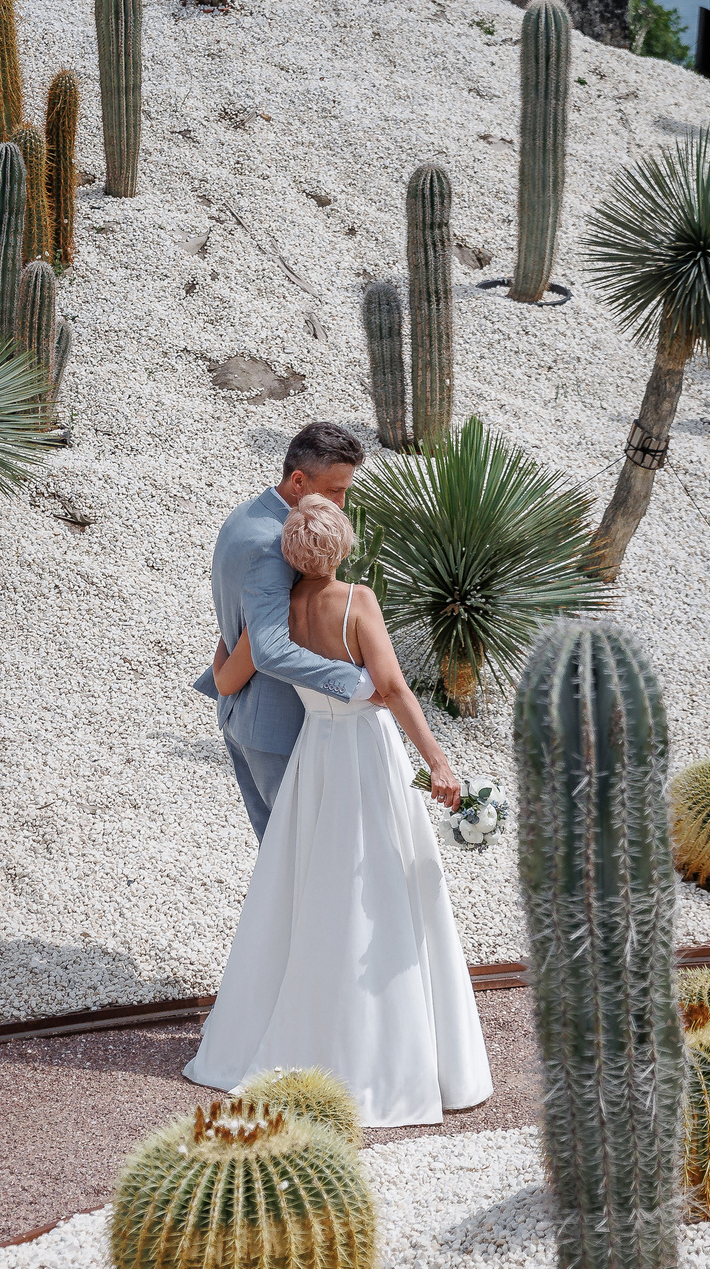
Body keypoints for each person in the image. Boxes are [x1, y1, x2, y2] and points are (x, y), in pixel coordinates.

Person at [182, 491, 492, 1129]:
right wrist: (438, 760)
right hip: (364, 758)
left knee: (312, 891)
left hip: (311, 761)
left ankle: (297, 1033)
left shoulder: (276, 613)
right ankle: (387, 1058)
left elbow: (227, 674)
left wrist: (224, 654)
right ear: (342, 546)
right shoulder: (358, 601)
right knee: (381, 886)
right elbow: (394, 687)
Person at [193, 423, 382, 839]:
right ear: (298, 481)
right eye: (333, 491)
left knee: (279, 859)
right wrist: (360, 683)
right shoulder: (273, 544)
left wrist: (225, 677)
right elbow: (271, 648)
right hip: (274, 727)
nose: (342, 503)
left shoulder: (247, 513)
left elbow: (239, 618)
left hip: (243, 715)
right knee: (298, 857)